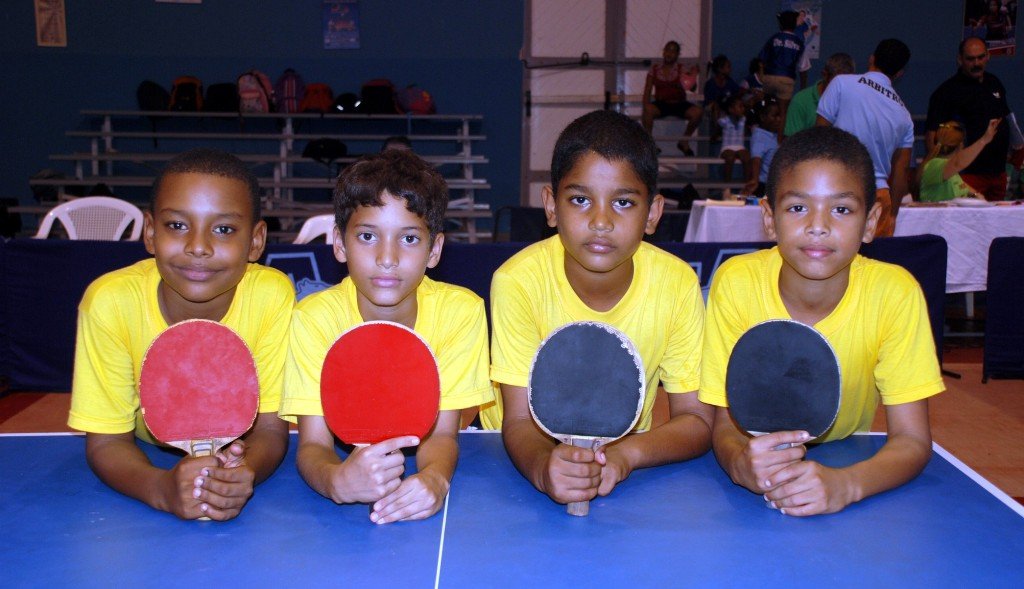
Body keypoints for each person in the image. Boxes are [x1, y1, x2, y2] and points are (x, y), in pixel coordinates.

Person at [699, 126, 944, 516]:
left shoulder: (895, 293)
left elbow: (913, 440)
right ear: (769, 217)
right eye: (798, 207)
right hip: (755, 450)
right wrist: (738, 463)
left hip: (848, 454)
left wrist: (847, 485)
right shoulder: (736, 282)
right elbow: (722, 422)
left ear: (871, 221)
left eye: (841, 209)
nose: (818, 225)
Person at [479, 110, 712, 507]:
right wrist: (542, 469)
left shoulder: (677, 284)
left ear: (653, 213)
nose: (600, 221)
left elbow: (696, 419)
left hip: (627, 446)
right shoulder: (517, 281)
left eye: (622, 202)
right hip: (514, 454)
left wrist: (625, 457)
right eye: (580, 200)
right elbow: (517, 420)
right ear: (551, 207)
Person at [67, 148, 293, 521]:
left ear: (255, 241)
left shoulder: (272, 296)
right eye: (177, 226)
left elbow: (270, 428)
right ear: (151, 232)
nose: (198, 247)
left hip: (237, 446)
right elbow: (107, 441)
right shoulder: (109, 302)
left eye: (223, 229)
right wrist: (159, 490)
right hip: (145, 452)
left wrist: (241, 474)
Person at [281, 149, 492, 524]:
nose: (387, 258)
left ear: (435, 250)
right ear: (340, 244)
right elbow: (312, 444)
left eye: (409, 239)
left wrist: (435, 478)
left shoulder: (462, 313)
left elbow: (444, 433)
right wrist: (335, 481)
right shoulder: (313, 319)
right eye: (367, 236)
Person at [816, 39, 914, 237]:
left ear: (872, 59)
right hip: (879, 196)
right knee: (874, 264)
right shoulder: (905, 115)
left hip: (839, 189)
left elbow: (818, 137)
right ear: (899, 73)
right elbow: (900, 171)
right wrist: (893, 214)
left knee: (832, 264)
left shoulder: (842, 83)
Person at [925, 37, 1013, 201]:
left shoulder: (994, 82)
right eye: (970, 59)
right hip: (967, 172)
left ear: (988, 56)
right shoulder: (946, 92)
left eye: (980, 57)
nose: (976, 63)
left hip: (998, 171)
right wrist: (943, 173)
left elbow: (1006, 119)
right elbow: (932, 136)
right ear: (960, 59)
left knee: (997, 223)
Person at [642, 40, 703, 155]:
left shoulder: (682, 69)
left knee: (698, 112)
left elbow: (693, 88)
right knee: (648, 109)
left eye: (673, 51)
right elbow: (648, 90)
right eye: (667, 50)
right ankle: (649, 144)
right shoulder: (654, 69)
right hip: (662, 104)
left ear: (677, 55)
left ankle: (684, 142)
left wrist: (692, 76)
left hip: (679, 103)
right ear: (663, 52)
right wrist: (645, 108)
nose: (669, 53)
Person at [918, 118, 1001, 201]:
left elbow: (962, 185)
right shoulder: (934, 165)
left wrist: (976, 194)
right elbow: (958, 162)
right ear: (961, 145)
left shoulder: (950, 171)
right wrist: (984, 140)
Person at [783, 53, 855, 138]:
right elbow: (791, 143)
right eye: (836, 83)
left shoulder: (854, 101)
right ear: (824, 75)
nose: (840, 89)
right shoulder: (801, 101)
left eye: (847, 83)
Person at [758, 10, 805, 119]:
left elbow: (761, 59)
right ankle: (780, 136)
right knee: (783, 113)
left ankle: (765, 133)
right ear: (795, 24)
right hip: (786, 80)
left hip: (769, 78)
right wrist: (802, 89)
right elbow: (803, 69)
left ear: (780, 24)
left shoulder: (774, 39)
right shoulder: (799, 43)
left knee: (767, 110)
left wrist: (762, 78)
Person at [745, 98, 783, 196]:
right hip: (762, 186)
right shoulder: (759, 136)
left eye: (779, 116)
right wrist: (755, 180)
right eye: (774, 116)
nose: (778, 119)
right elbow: (756, 159)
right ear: (762, 117)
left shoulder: (771, 134)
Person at [703, 55, 742, 142]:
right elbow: (709, 102)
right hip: (711, 108)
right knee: (716, 107)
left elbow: (738, 92)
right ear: (720, 69)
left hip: (725, 108)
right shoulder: (710, 84)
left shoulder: (730, 82)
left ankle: (741, 130)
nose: (730, 69)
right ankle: (716, 131)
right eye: (728, 67)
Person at [718, 94, 750, 184]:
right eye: (740, 106)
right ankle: (727, 186)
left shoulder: (744, 119)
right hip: (727, 147)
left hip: (740, 147)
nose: (742, 108)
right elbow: (717, 128)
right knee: (730, 157)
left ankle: (747, 185)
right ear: (731, 109)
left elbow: (747, 130)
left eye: (743, 106)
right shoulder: (725, 120)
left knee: (747, 157)